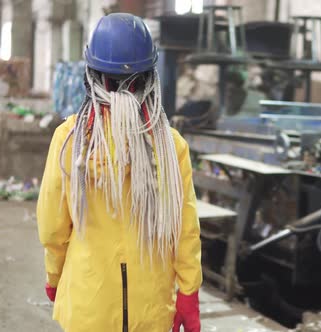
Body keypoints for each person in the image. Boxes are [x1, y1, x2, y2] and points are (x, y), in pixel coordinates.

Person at [36, 13, 202, 332]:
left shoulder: (71, 140)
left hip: (88, 307)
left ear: (92, 74)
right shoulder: (169, 145)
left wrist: (55, 277)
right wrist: (188, 292)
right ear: (149, 76)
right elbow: (185, 230)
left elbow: (51, 229)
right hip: (151, 311)